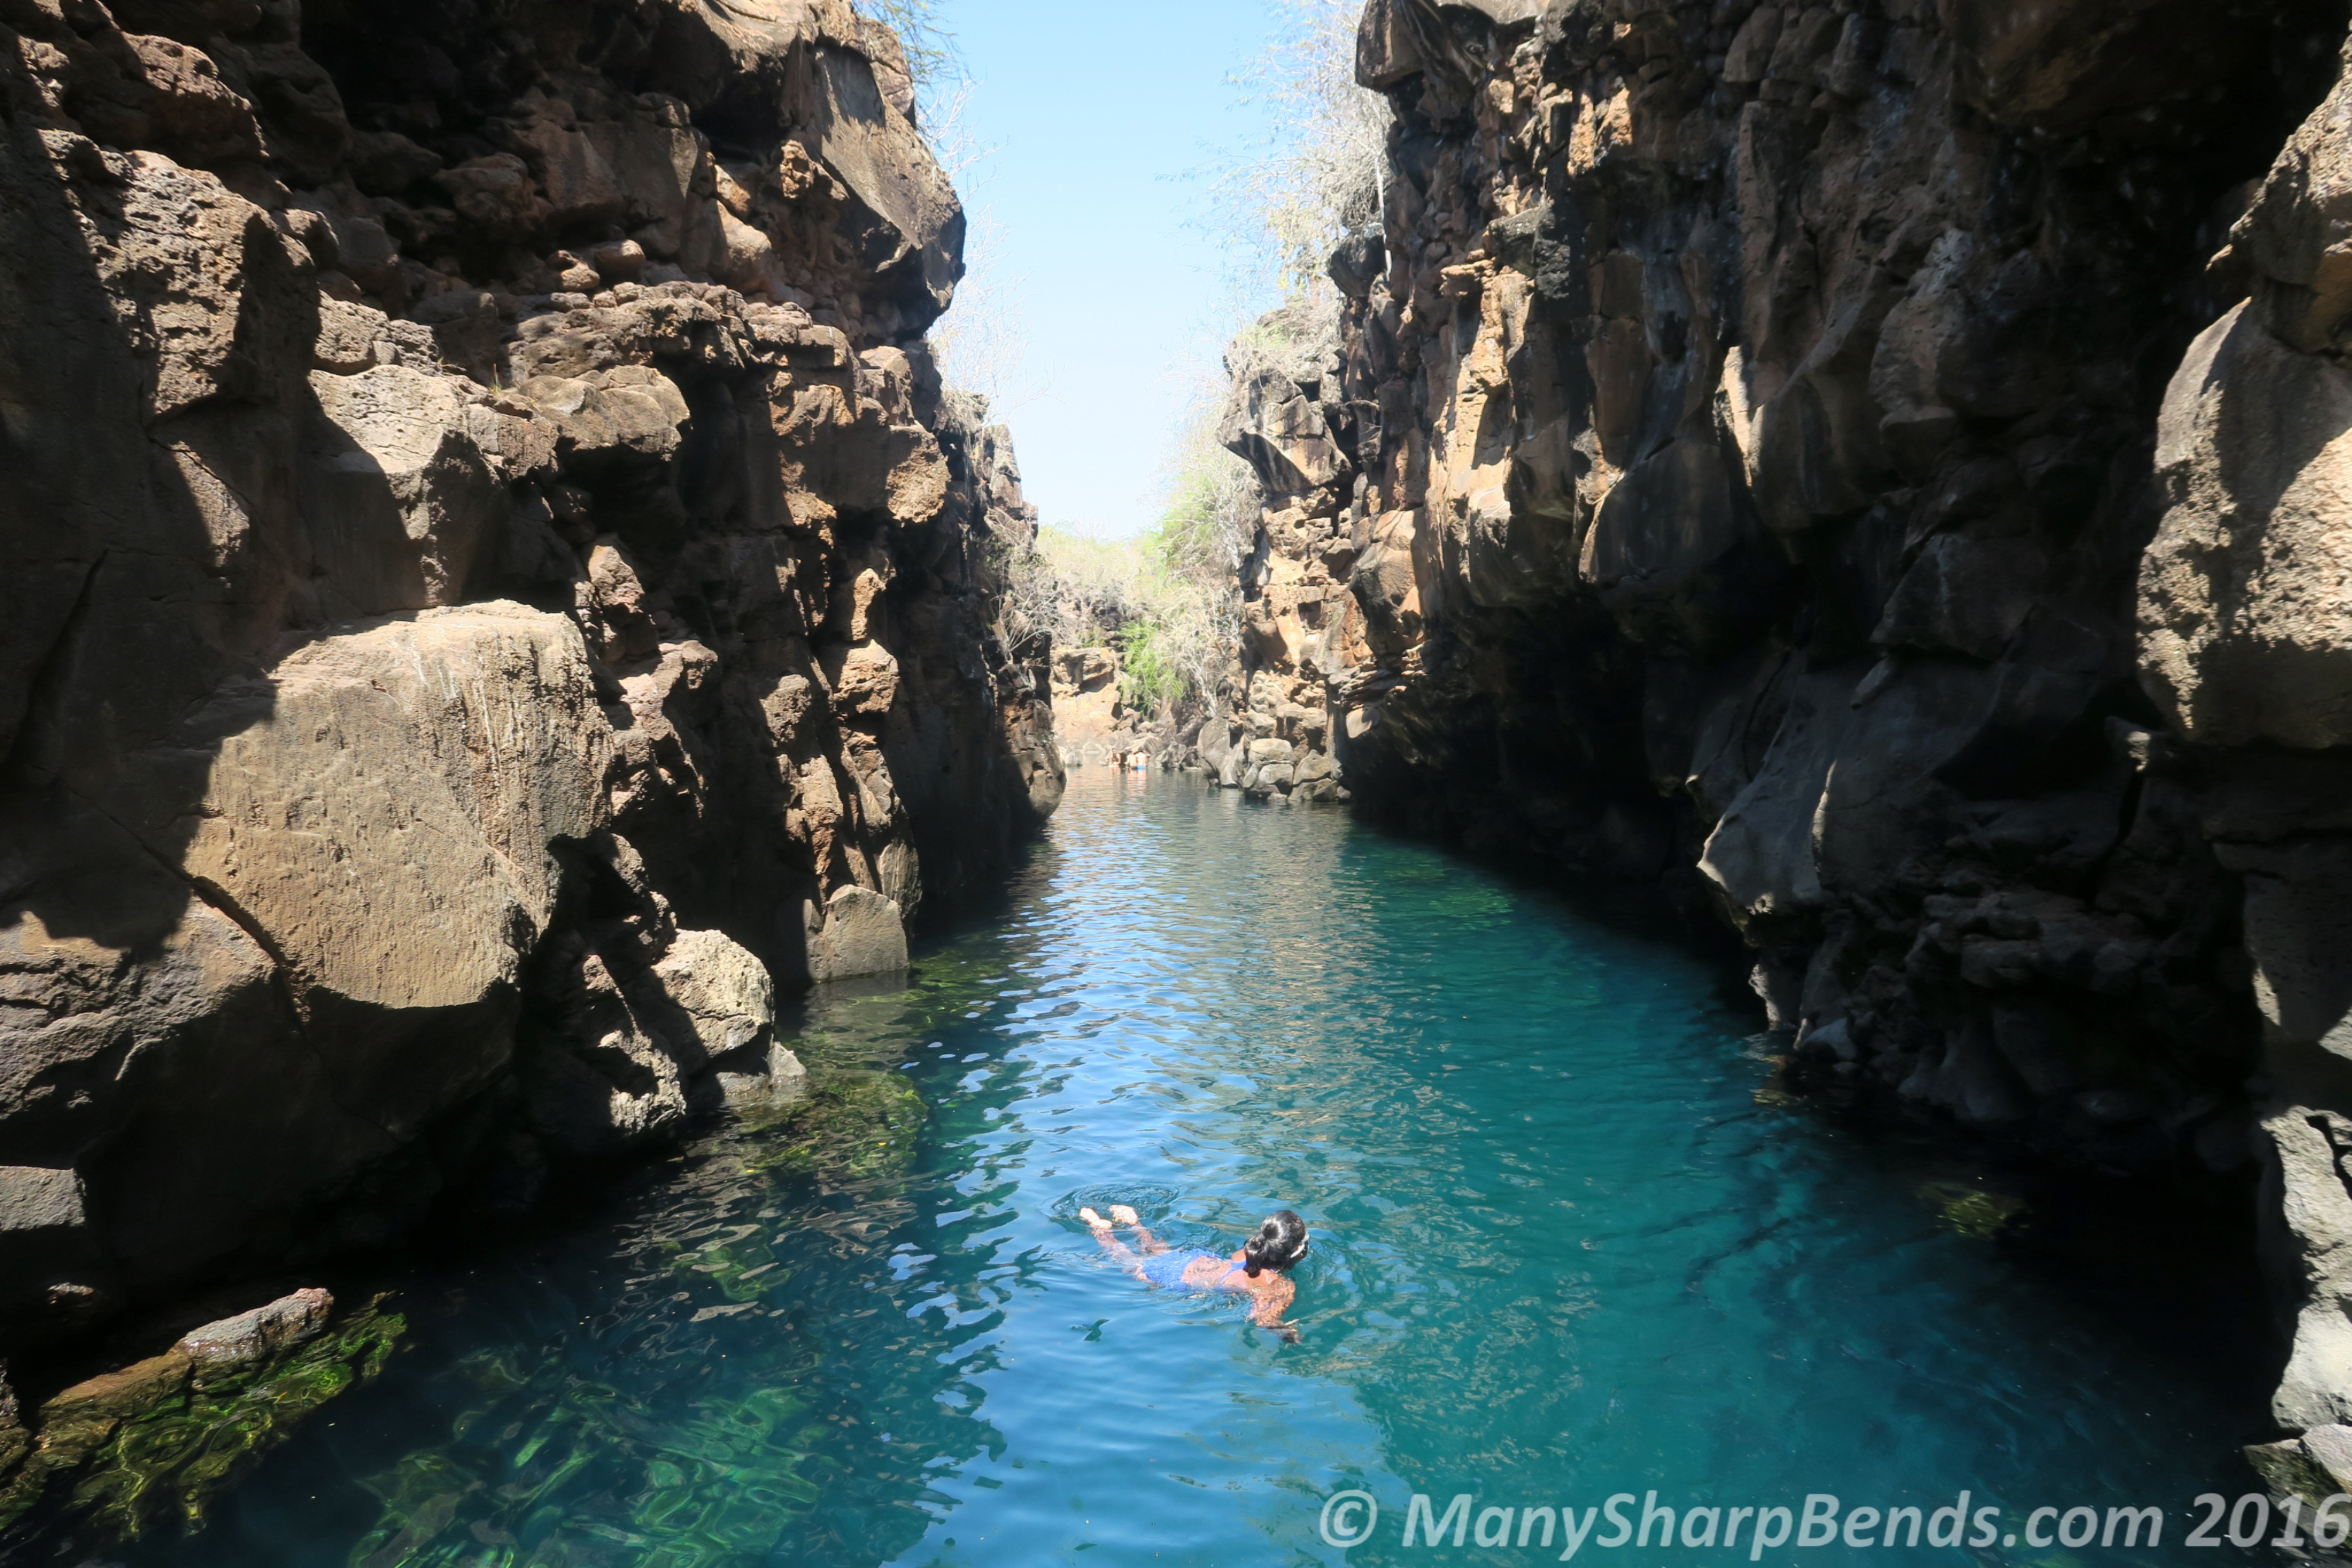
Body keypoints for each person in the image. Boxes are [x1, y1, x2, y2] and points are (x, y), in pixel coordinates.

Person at [1081, 1204, 1308, 1340]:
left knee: (1161, 1253)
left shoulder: (1246, 1253)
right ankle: (1101, 1231)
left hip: (1192, 1261)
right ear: (1298, 1249)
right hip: (1177, 1280)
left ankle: (1136, 1225)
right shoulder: (1279, 1286)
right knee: (1128, 1262)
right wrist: (1289, 1335)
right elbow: (1262, 1320)